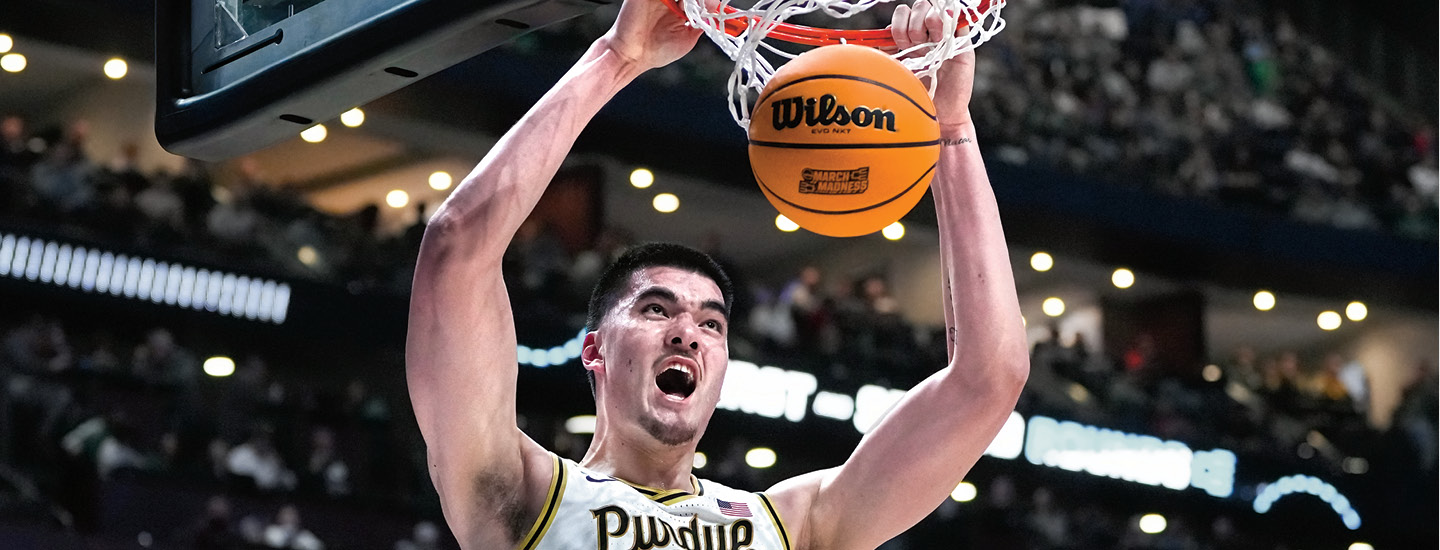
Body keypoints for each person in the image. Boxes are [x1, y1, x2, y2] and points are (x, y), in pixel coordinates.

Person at [404, 1, 1029, 548]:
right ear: (593, 349)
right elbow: (457, 249)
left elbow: (989, 377)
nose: (688, 332)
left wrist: (950, 133)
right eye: (655, 309)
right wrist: (616, 58)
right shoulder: (520, 493)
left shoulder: (798, 526)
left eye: (711, 322)